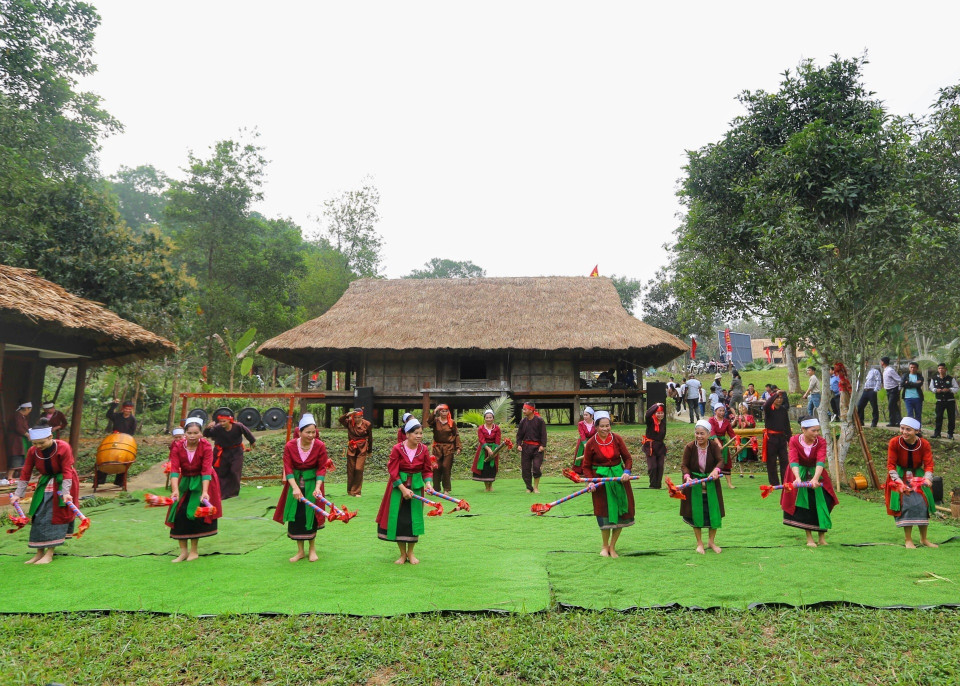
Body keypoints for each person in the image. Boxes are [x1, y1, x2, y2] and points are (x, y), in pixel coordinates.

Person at [9, 422, 81, 565]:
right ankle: (39, 552)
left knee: (55, 515)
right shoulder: (32, 451)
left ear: (50, 437)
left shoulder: (63, 447)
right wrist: (18, 493)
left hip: (64, 482)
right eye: (35, 443)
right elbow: (26, 472)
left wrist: (66, 492)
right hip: (45, 483)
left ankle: (49, 552)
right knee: (39, 514)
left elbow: (67, 470)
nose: (38, 446)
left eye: (41, 443)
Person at [273, 413, 333, 562]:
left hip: (313, 485)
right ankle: (300, 551)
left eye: (313, 432)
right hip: (295, 486)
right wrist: (294, 488)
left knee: (311, 516)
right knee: (297, 516)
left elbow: (322, 467)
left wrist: (318, 487)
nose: (311, 435)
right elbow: (288, 467)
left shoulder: (319, 445)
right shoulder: (290, 445)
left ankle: (312, 549)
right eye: (308, 432)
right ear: (300, 432)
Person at [376, 417, 434, 564]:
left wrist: (428, 484)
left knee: (413, 520)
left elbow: (427, 470)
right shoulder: (397, 449)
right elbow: (393, 471)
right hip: (398, 488)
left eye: (421, 433)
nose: (419, 436)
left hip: (416, 488)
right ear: (407, 434)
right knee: (400, 520)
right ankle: (402, 554)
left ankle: (411, 553)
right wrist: (402, 489)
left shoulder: (424, 449)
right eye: (416, 433)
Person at [166, 417, 222, 562]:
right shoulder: (178, 446)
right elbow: (174, 469)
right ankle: (183, 552)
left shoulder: (206, 446)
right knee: (178, 512)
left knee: (194, 513)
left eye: (195, 433)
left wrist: (204, 492)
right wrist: (175, 489)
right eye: (189, 433)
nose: (192, 436)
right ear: (184, 433)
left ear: (200, 434)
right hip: (184, 480)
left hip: (202, 480)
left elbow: (206, 470)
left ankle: (194, 551)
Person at [581, 411, 634, 557]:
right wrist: (590, 481)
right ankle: (604, 546)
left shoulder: (617, 439)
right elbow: (586, 466)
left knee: (620, 512)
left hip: (619, 480)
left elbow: (628, 458)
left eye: (608, 425)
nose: (605, 429)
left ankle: (612, 546)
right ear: (596, 427)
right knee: (603, 512)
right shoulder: (591, 443)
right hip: (601, 483)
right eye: (602, 426)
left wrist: (627, 472)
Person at [781, 418, 838, 547]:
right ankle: (809, 538)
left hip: (817, 473)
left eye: (818, 430)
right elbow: (793, 459)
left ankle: (822, 537)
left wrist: (815, 478)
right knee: (806, 505)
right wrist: (797, 478)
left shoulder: (821, 442)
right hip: (798, 472)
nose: (817, 433)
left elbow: (820, 460)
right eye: (813, 430)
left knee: (823, 502)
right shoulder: (794, 440)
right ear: (803, 430)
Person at [884, 417, 938, 548]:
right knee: (906, 504)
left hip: (917, 476)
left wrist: (927, 478)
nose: (904, 432)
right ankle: (908, 540)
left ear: (916, 431)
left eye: (908, 429)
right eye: (902, 428)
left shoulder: (924, 444)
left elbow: (929, 463)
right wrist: (898, 482)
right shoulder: (894, 442)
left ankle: (923, 539)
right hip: (899, 475)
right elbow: (891, 465)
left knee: (922, 503)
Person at [680, 420, 725, 554]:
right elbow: (684, 465)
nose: (699, 436)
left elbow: (720, 460)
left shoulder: (713, 446)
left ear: (708, 434)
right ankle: (699, 543)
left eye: (702, 434)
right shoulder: (690, 447)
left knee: (713, 513)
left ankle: (711, 542)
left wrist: (716, 470)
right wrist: (687, 476)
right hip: (695, 484)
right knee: (696, 514)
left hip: (711, 483)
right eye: (697, 433)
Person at [203, 409, 256, 499]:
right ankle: (221, 493)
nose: (222, 423)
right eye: (220, 421)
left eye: (224, 421)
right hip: (222, 452)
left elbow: (247, 433)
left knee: (235, 471)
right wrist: (208, 428)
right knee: (221, 472)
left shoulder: (238, 426)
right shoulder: (217, 428)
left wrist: (252, 441)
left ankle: (233, 493)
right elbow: (207, 434)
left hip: (236, 452)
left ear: (229, 420)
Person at [424, 404, 461, 495]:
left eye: (445, 411)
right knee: (436, 467)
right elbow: (428, 421)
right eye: (442, 411)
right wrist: (435, 410)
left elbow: (456, 434)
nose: (444, 413)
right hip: (437, 447)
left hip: (449, 448)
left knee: (445, 467)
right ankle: (436, 488)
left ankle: (446, 489)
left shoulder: (451, 422)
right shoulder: (435, 421)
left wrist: (458, 447)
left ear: (448, 412)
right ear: (439, 412)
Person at [339, 409, 373, 497]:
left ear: (362, 416)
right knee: (351, 469)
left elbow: (370, 438)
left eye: (359, 417)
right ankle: (350, 490)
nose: (357, 419)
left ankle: (357, 491)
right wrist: (348, 414)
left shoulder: (367, 424)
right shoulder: (349, 422)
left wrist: (369, 451)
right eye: (355, 417)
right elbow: (340, 420)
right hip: (351, 447)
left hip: (362, 448)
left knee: (359, 468)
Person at [762, 390, 792, 486]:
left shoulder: (783, 410)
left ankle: (785, 481)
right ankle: (774, 482)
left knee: (784, 460)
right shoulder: (768, 409)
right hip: (771, 438)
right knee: (771, 461)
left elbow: (787, 425)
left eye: (780, 398)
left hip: (782, 438)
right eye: (777, 398)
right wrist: (775, 393)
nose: (779, 399)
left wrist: (789, 440)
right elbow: (766, 404)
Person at [516, 402, 547, 493]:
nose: (523, 411)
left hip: (537, 448)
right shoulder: (523, 421)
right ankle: (529, 487)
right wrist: (518, 444)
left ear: (531, 410)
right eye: (523, 409)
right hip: (526, 447)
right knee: (525, 469)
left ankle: (536, 487)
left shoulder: (540, 420)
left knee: (536, 467)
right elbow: (519, 435)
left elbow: (543, 434)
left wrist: (542, 445)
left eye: (525, 409)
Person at [707, 402, 737, 489]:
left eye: (723, 411)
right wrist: (718, 443)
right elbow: (712, 432)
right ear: (715, 411)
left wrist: (737, 443)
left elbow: (732, 433)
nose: (722, 412)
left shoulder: (726, 421)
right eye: (720, 410)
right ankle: (710, 481)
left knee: (726, 462)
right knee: (712, 461)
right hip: (712, 443)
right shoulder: (711, 420)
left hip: (724, 444)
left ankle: (729, 483)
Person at [471, 409, 503, 490]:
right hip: (483, 449)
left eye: (490, 417)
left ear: (493, 418)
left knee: (492, 467)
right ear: (484, 418)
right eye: (487, 417)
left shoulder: (497, 428)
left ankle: (490, 485)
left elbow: (497, 440)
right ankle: (486, 487)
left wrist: (495, 450)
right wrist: (488, 449)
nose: (489, 419)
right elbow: (481, 440)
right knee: (485, 467)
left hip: (494, 449)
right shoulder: (481, 428)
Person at [930, 363, 958, 439]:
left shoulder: (951, 378)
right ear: (938, 369)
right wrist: (936, 390)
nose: (941, 370)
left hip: (950, 401)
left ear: (946, 369)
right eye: (939, 368)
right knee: (938, 417)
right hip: (940, 401)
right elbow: (931, 388)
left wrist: (949, 390)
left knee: (951, 418)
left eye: (942, 368)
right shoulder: (934, 378)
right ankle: (937, 433)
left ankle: (950, 434)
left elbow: (956, 388)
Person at [642, 403, 667, 489]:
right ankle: (652, 485)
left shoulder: (663, 423)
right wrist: (656, 405)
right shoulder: (650, 421)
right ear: (655, 413)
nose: (660, 415)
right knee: (652, 467)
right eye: (658, 413)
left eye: (661, 413)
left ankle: (658, 485)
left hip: (660, 447)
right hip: (650, 447)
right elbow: (648, 414)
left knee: (660, 466)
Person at [5, 401, 31, 482]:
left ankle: (18, 476)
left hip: (20, 440)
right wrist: (28, 435)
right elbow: (19, 428)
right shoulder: (17, 416)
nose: (29, 412)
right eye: (29, 410)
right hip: (16, 440)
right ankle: (9, 476)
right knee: (16, 456)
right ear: (26, 408)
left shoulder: (21, 416)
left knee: (21, 457)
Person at [571, 406, 596, 475]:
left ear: (591, 416)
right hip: (582, 442)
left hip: (592, 442)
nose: (585, 417)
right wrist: (585, 443)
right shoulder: (581, 424)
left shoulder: (595, 423)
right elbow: (582, 434)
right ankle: (579, 470)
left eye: (586, 415)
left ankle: (590, 469)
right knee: (581, 454)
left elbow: (596, 433)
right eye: (584, 415)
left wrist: (591, 443)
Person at [881, 356, 903, 427]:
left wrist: (899, 389)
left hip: (893, 390)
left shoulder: (890, 370)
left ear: (883, 362)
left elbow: (899, 379)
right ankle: (898, 421)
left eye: (881, 361)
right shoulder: (885, 370)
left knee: (891, 406)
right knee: (894, 406)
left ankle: (892, 421)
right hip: (888, 390)